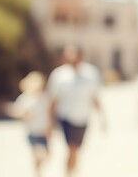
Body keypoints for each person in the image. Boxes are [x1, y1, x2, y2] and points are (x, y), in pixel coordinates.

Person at [46, 44, 106, 176]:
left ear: (80, 56)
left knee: (76, 149)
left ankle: (72, 172)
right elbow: (52, 100)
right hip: (65, 117)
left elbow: (95, 97)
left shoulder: (91, 73)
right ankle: (68, 174)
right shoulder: (59, 75)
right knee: (71, 148)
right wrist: (49, 123)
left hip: (83, 118)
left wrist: (102, 118)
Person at [10, 71, 53, 177]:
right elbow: (17, 112)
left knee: (48, 154)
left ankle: (39, 168)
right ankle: (37, 173)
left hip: (43, 131)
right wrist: (25, 115)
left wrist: (50, 127)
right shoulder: (24, 98)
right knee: (37, 153)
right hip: (32, 131)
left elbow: (49, 113)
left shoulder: (45, 97)